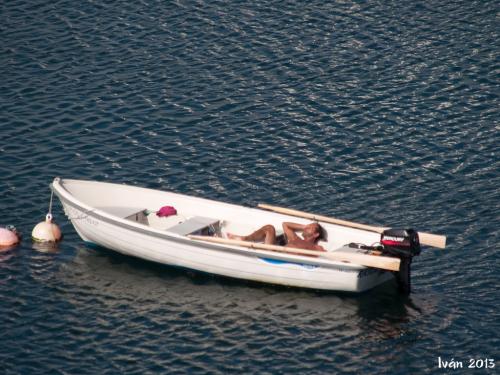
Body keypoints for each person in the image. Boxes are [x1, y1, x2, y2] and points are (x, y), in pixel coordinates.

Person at [227, 222, 325, 251]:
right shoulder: (295, 238)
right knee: (269, 228)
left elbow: (325, 255)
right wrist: (304, 226)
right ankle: (244, 239)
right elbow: (285, 225)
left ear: (316, 234)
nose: (307, 227)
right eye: (308, 225)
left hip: (278, 256)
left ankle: (246, 242)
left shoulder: (317, 247)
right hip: (273, 252)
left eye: (310, 228)